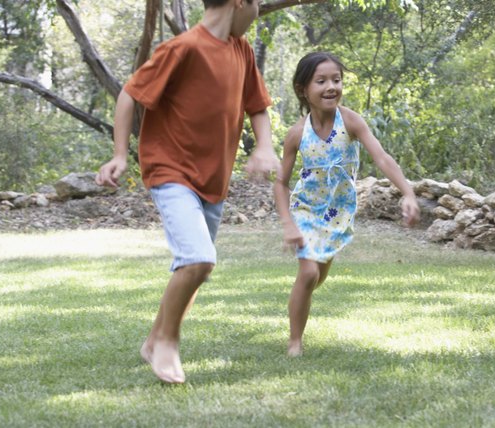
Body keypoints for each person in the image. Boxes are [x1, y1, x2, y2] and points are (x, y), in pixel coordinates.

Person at [95, 0, 279, 384]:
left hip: (214, 182)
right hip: (170, 170)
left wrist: (264, 147)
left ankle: (152, 341)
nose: (259, 11)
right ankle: (167, 342)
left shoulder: (240, 49)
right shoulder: (184, 48)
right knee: (198, 259)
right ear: (239, 3)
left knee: (195, 268)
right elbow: (130, 94)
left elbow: (257, 106)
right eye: (257, 4)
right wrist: (118, 155)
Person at [273, 52, 420, 357]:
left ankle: (300, 297)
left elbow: (381, 158)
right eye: (321, 81)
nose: (331, 87)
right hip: (306, 210)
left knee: (317, 277)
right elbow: (280, 182)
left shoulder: (351, 121)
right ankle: (294, 343)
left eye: (336, 80)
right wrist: (288, 222)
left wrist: (408, 191)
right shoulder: (297, 133)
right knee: (309, 274)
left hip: (338, 213)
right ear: (303, 89)